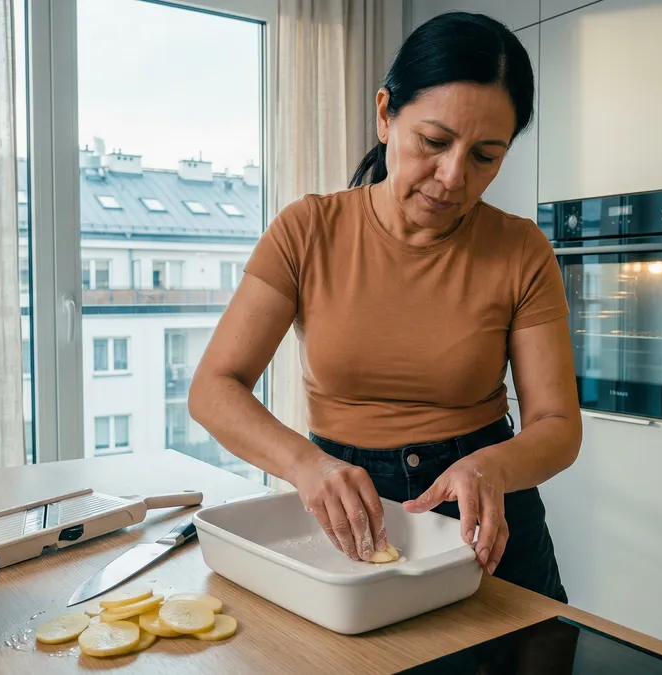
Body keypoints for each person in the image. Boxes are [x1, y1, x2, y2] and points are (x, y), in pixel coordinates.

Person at [189, 11, 581, 602]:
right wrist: (307, 465)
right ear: (384, 115)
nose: (453, 177)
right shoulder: (307, 230)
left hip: (485, 515)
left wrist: (493, 467)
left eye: (485, 156)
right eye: (435, 141)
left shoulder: (522, 249)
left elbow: (557, 425)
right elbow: (214, 387)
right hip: (347, 509)